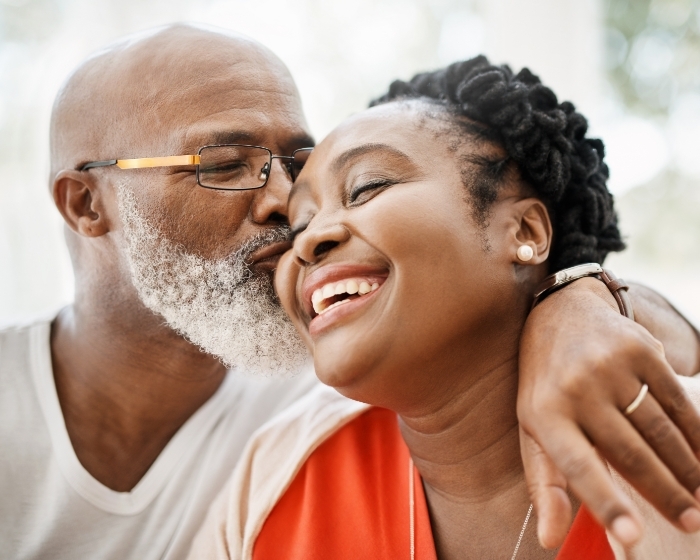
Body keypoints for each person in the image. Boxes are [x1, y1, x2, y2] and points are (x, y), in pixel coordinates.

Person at [0, 24, 698, 559]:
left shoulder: (341, 383)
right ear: (86, 205)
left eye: (300, 169)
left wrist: (580, 293)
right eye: (224, 164)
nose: (289, 215)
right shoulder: (291, 457)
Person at [191, 56, 700, 559]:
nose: (309, 241)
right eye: (299, 225)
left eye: (367, 186)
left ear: (525, 232)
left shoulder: (674, 453)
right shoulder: (275, 474)